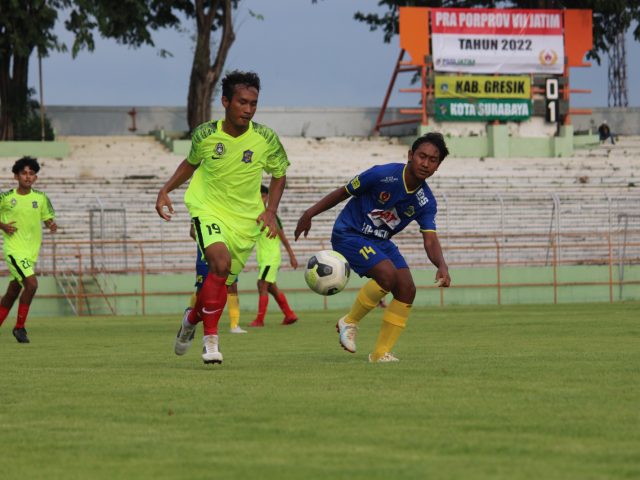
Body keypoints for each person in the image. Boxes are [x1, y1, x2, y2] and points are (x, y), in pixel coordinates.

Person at [155, 70, 290, 365]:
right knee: (219, 264)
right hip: (208, 209)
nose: (249, 109)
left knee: (219, 279)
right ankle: (211, 341)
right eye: (242, 102)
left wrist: (270, 211)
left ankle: (191, 319)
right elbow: (190, 164)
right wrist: (166, 189)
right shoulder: (205, 134)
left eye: (254, 103)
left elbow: (279, 174)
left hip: (245, 222)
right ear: (226, 102)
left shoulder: (265, 137)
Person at [294, 132, 451, 363]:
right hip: (349, 233)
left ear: (437, 166)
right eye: (421, 156)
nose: (425, 163)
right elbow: (342, 192)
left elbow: (430, 239)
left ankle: (380, 354)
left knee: (407, 289)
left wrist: (442, 265)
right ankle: (349, 322)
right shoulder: (382, 175)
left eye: (432, 160)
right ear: (410, 155)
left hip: (380, 241)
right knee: (387, 274)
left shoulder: (425, 201)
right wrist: (309, 213)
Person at [0, 157, 57, 343]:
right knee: (32, 285)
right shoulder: (6, 198)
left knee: (13, 291)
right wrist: (3, 226)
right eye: (24, 173)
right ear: (16, 176)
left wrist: (51, 224)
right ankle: (19, 328)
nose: (27, 177)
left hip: (31, 252)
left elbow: (48, 218)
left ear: (35, 178)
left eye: (31, 174)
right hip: (14, 250)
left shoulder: (40, 198)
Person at [248, 184, 299, 327]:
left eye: (263, 196)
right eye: (258, 196)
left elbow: (283, 237)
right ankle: (289, 314)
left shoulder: (271, 216)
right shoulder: (256, 213)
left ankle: (259, 320)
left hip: (270, 257)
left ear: (267, 197)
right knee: (271, 287)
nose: (260, 199)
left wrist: (292, 255)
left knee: (261, 284)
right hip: (265, 258)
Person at [187, 224, 247, 334]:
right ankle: (189, 322)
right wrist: (208, 243)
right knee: (201, 290)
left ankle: (234, 325)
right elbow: (192, 231)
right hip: (205, 255)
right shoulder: (202, 210)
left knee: (232, 287)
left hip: (226, 254)